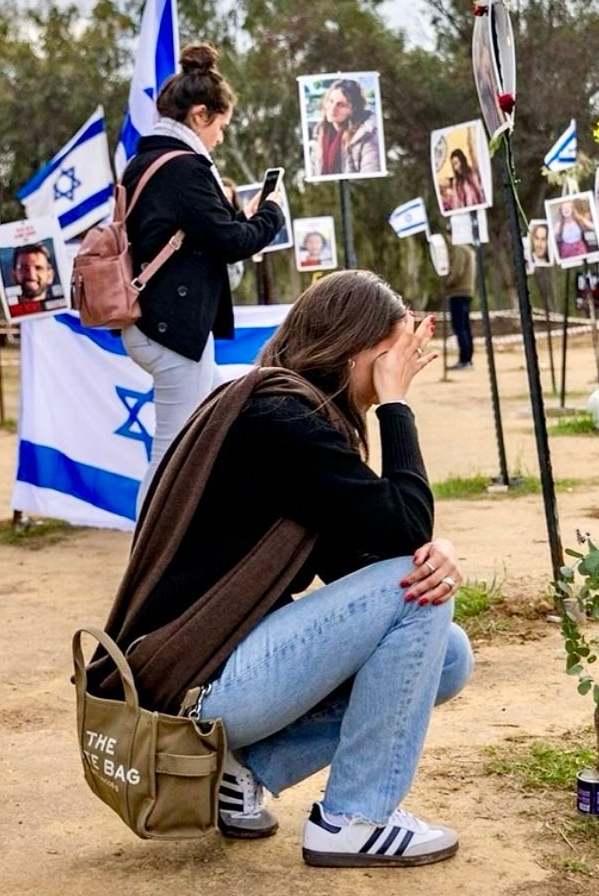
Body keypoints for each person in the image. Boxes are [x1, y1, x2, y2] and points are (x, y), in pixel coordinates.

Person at [89, 270, 472, 867]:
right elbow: (402, 536)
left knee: (447, 655)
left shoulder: (283, 412)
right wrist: (397, 407)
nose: (404, 368)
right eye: (393, 354)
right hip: (196, 689)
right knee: (415, 594)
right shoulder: (281, 420)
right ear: (354, 352)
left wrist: (430, 553)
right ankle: (354, 816)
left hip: (213, 675)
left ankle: (243, 773)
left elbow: (361, 557)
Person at [122, 43, 285, 513]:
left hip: (157, 323)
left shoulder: (148, 162)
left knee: (226, 409)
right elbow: (232, 241)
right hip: (173, 328)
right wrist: (271, 213)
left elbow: (210, 228)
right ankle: (149, 555)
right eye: (221, 127)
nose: (220, 138)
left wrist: (244, 216)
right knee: (172, 449)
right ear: (199, 115)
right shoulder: (185, 168)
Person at [306, 78, 382, 178]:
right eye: (330, 101)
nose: (333, 109)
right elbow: (313, 173)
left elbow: (371, 177)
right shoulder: (320, 134)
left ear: (354, 108)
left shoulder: (367, 136)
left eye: (341, 105)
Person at [8, 242, 62, 316]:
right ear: (13, 275)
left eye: (38, 268)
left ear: (50, 276)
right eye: (24, 268)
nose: (31, 275)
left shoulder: (65, 316)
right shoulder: (6, 314)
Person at [445, 241, 475, 369]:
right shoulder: (469, 249)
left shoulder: (460, 250)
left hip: (458, 292)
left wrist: (447, 282)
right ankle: (467, 358)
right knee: (465, 326)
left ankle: (464, 359)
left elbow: (457, 271)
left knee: (459, 326)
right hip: (467, 291)